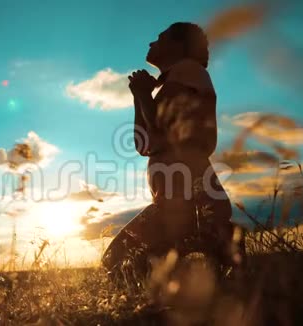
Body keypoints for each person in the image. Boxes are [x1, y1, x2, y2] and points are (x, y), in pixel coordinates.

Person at [102, 22, 243, 281]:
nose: (151, 43)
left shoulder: (188, 70)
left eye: (160, 38)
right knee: (126, 264)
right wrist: (139, 96)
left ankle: (222, 242)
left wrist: (144, 94)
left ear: (180, 45)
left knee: (118, 262)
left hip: (187, 201)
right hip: (172, 203)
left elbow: (167, 126)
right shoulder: (173, 82)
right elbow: (144, 144)